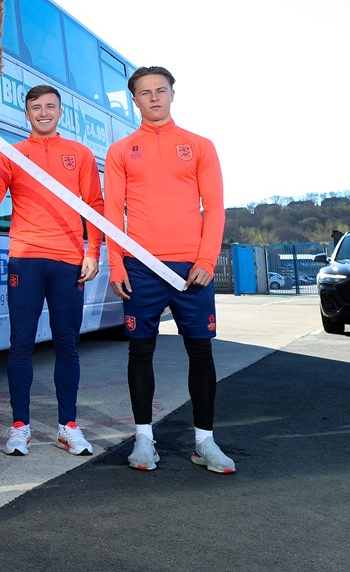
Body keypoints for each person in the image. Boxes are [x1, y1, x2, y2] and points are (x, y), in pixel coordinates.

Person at [103, 65, 234, 474]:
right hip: (141, 267)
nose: (154, 97)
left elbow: (213, 208)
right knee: (140, 351)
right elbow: (111, 213)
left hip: (192, 268)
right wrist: (117, 264)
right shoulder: (121, 150)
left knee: (200, 351)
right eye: (145, 93)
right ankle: (144, 440)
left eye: (161, 90)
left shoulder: (199, 146)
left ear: (173, 94)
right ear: (135, 100)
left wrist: (207, 260)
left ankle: (205, 442)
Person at [0, 84, 104, 458]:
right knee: (21, 344)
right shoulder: (13, 153)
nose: (43, 112)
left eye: (50, 106)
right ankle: (20, 427)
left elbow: (93, 205)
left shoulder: (78, 154)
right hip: (25, 259)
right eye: (36, 108)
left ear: (60, 112)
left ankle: (69, 426)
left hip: (68, 261)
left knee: (67, 344)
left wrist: (91, 251)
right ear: (26, 114)